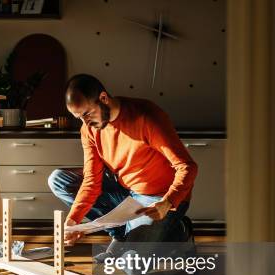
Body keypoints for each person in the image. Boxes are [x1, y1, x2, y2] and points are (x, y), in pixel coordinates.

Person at [48, 74, 198, 261]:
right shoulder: (89, 129)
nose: (85, 123)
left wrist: (167, 202)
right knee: (59, 179)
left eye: (87, 114)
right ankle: (121, 234)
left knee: (132, 265)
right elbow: (91, 180)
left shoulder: (146, 117)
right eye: (78, 118)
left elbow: (187, 167)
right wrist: (73, 221)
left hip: (158, 199)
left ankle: (181, 231)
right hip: (126, 194)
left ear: (103, 98)